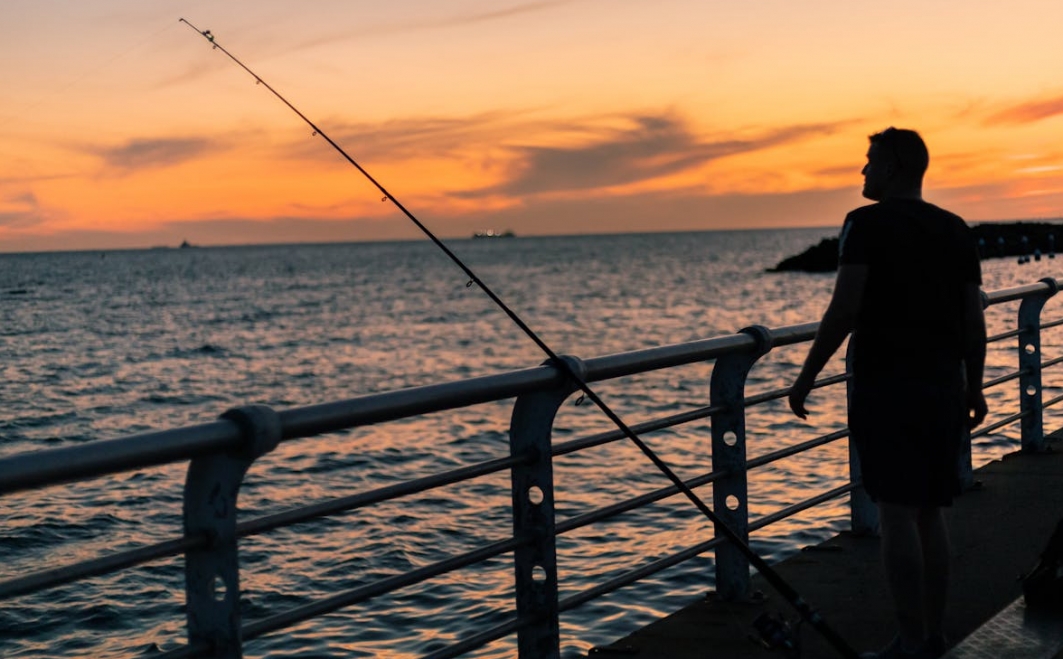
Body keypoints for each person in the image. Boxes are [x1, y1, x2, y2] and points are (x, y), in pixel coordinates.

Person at [788, 128, 988, 659]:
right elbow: (974, 320)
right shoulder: (955, 229)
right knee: (931, 512)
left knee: (897, 513)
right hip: (944, 384)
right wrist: (977, 384)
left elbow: (844, 310)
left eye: (871, 161)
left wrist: (807, 375)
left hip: (887, 385)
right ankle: (935, 636)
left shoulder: (864, 225)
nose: (863, 171)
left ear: (895, 167)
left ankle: (909, 641)